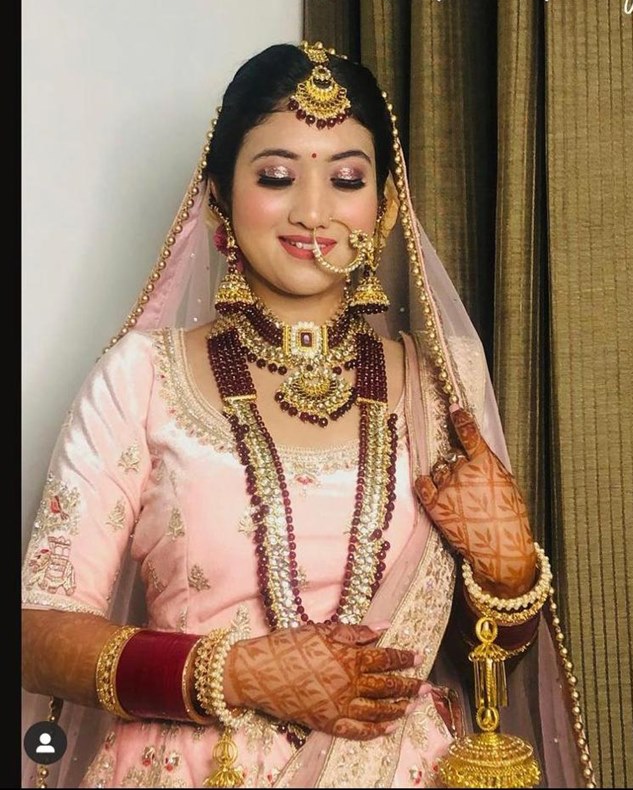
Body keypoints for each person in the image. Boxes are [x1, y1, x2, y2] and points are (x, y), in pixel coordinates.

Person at [21, 41, 595, 789]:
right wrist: (235, 673)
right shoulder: (142, 379)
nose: (314, 211)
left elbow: (476, 657)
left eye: (347, 179)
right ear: (220, 197)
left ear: (385, 205)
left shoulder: (440, 385)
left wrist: (509, 575)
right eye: (276, 176)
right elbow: (37, 636)